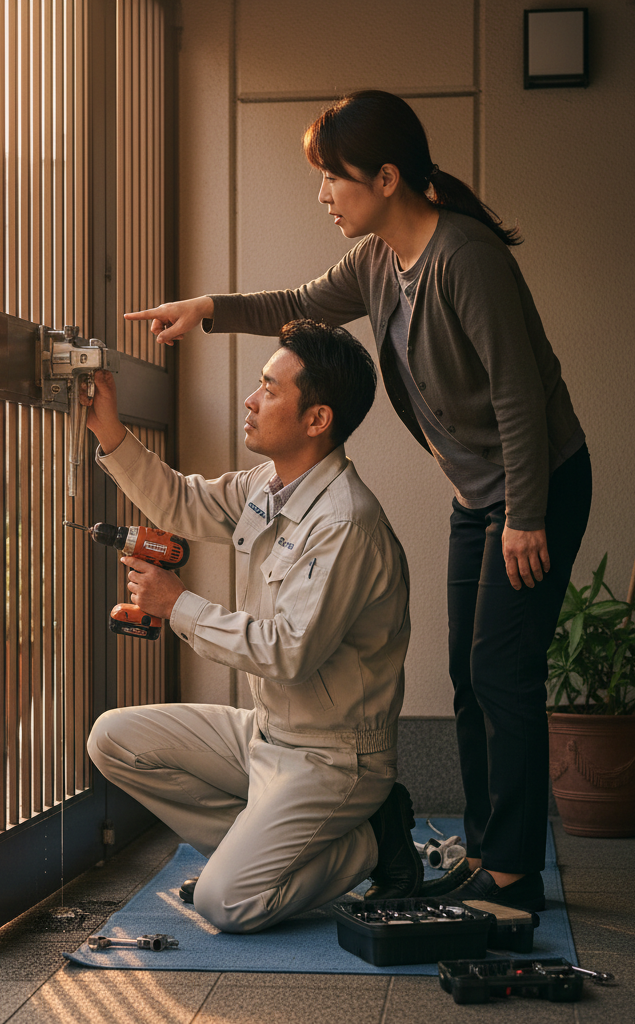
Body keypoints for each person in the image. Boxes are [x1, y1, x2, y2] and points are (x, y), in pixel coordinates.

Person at [124, 90, 592, 913]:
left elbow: (518, 395)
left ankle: (514, 875)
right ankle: (484, 852)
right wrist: (206, 312)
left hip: (534, 486)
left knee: (501, 670)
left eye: (333, 178)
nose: (323, 195)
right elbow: (296, 307)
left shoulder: (464, 257)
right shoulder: (379, 262)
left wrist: (525, 514)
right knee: (466, 674)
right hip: (480, 496)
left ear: (384, 177)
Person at [84, 318, 423, 935]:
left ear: (316, 420)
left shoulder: (344, 523)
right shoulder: (273, 484)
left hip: (333, 757)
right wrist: (109, 431)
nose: (251, 398)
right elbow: (182, 503)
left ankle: (371, 840)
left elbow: (289, 652)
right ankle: (262, 852)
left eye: (270, 388)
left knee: (225, 904)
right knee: (112, 739)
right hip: (267, 735)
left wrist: (176, 604)